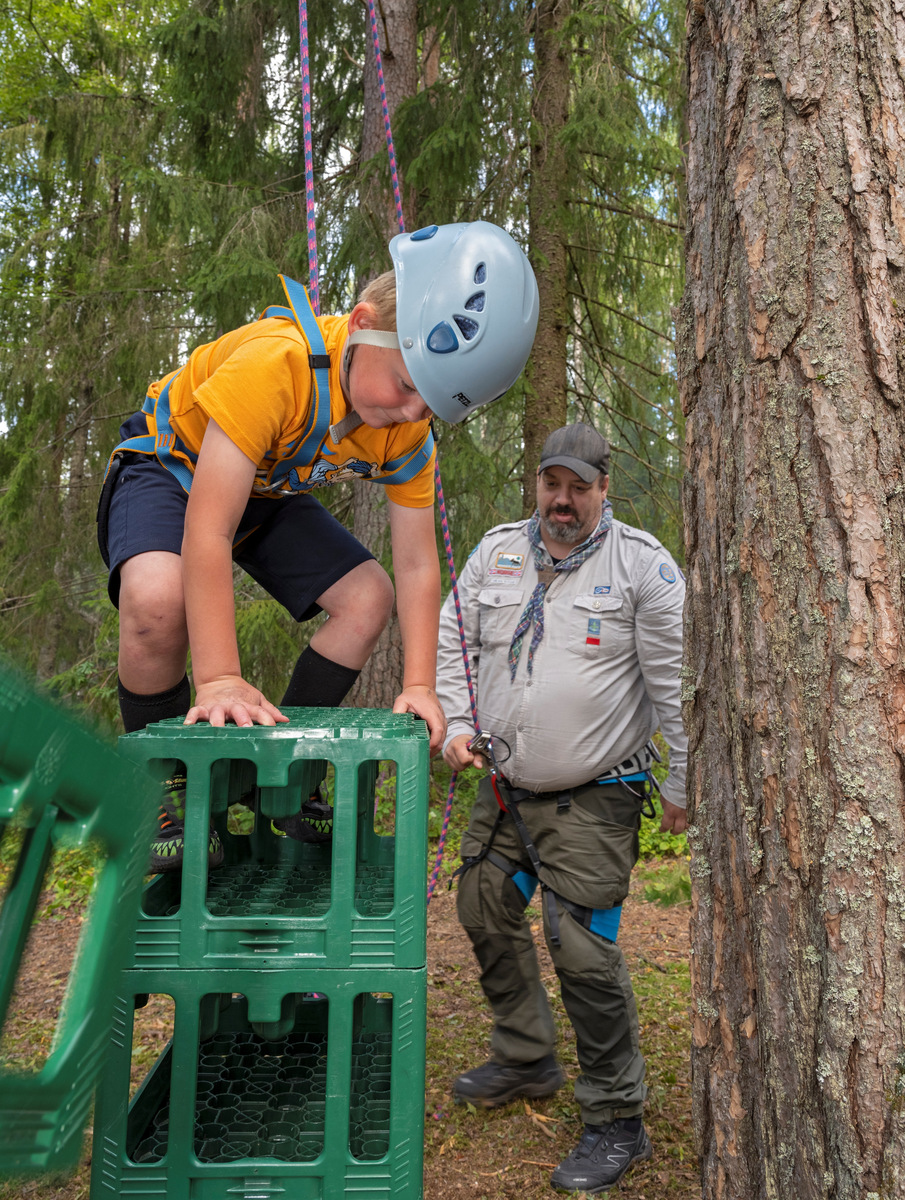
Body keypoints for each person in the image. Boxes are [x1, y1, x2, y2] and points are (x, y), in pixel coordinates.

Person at [97, 220, 539, 872]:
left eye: (434, 404)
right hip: (168, 468)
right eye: (409, 383)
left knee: (367, 598)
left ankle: (286, 776)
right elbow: (208, 529)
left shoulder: (404, 433)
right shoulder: (272, 368)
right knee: (157, 601)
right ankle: (161, 785)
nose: (415, 412)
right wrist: (220, 677)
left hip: (263, 492)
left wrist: (419, 683)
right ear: (363, 323)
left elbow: (417, 563)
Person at [435, 422, 687, 1194]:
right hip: (505, 786)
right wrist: (457, 724)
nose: (563, 500)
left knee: (578, 946)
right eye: (552, 483)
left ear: (603, 488)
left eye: (579, 486)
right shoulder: (496, 551)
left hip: (598, 792)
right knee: (480, 902)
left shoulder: (641, 564)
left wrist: (683, 784)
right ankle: (525, 1055)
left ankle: (618, 1118)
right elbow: (454, 639)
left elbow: (674, 679)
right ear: (536, 484)